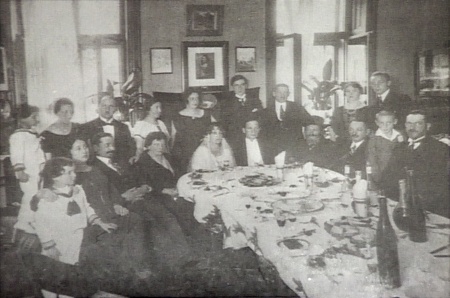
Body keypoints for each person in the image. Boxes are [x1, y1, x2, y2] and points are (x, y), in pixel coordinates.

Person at [32, 158, 115, 298]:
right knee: (53, 278)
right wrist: (49, 246)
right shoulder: (48, 197)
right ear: (54, 177)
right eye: (69, 173)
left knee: (72, 277)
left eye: (74, 172)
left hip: (78, 239)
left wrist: (99, 222)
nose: (74, 175)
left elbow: (87, 208)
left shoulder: (78, 191)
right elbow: (40, 223)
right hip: (58, 243)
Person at [78, 132, 153, 283]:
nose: (84, 151)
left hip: (110, 210)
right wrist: (99, 218)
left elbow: (110, 191)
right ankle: (126, 271)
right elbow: (82, 202)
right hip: (94, 219)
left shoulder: (94, 170)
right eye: (78, 149)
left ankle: (137, 266)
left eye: (85, 147)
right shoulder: (72, 174)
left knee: (136, 220)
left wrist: (117, 203)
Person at [381, 110, 449, 218]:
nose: (412, 127)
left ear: (427, 126)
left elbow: (437, 187)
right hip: (399, 205)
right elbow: (386, 176)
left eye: (418, 123)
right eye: (409, 123)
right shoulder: (400, 147)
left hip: (429, 210)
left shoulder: (439, 149)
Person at [9, 104, 46, 252]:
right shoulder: (18, 136)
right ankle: (25, 222)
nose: (36, 119)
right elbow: (16, 155)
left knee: (37, 195)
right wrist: (19, 170)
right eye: (33, 116)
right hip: (28, 172)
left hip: (37, 171)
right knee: (30, 195)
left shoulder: (33, 134)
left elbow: (38, 152)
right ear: (22, 119)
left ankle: (30, 220)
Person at [79, 94, 136, 164]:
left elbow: (130, 147)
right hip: (97, 167)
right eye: (104, 106)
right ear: (98, 108)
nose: (107, 109)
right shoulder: (87, 127)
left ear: (115, 109)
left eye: (111, 106)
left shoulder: (123, 127)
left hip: (120, 167)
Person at [262, 84, 315, 150]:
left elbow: (309, 122)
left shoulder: (297, 107)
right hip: (275, 147)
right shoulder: (266, 111)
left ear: (288, 94)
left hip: (295, 146)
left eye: (285, 92)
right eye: (279, 92)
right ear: (274, 94)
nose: (282, 95)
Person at [172, 90, 211, 173]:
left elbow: (211, 130)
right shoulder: (178, 116)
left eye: (197, 98)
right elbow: (174, 136)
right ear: (186, 100)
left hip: (201, 149)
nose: (195, 101)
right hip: (184, 152)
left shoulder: (206, 114)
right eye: (192, 98)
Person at [367, 110, 405, 186]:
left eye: (389, 122)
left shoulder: (400, 135)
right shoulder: (374, 139)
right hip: (382, 176)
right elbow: (372, 160)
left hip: (399, 176)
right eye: (382, 123)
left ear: (395, 121)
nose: (385, 126)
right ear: (377, 123)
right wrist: (377, 178)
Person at [131, 94, 172, 159]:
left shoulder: (161, 123)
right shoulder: (141, 125)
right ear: (149, 108)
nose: (160, 110)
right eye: (156, 107)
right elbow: (139, 148)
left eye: (160, 107)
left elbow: (167, 145)